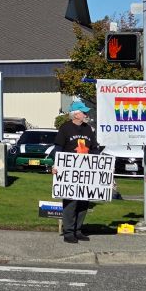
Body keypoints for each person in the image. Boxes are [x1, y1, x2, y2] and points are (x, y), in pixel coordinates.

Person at [53, 101, 102, 243]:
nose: (86, 114)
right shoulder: (65, 128)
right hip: (69, 171)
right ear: (75, 114)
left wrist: (97, 161)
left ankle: (78, 230)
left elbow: (94, 148)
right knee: (71, 202)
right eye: (83, 112)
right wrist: (56, 165)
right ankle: (68, 232)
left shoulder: (88, 129)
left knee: (83, 201)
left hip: (86, 171)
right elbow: (58, 148)